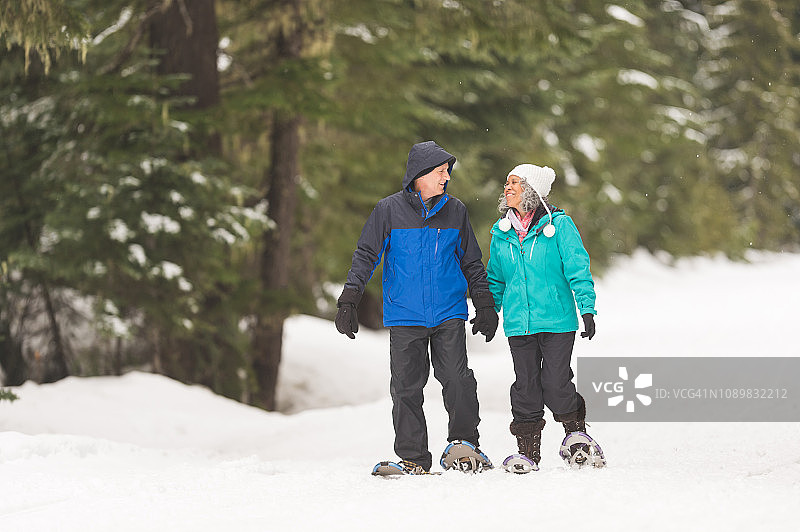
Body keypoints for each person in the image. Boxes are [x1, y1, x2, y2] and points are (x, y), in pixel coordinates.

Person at [335, 140, 498, 474]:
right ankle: (413, 458)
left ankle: (465, 445)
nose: (446, 178)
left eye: (447, 172)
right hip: (405, 314)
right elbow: (367, 254)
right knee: (406, 388)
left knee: (457, 379)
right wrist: (350, 297)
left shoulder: (456, 211)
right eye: (440, 172)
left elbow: (471, 262)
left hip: (448, 311)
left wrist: (484, 303)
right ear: (420, 174)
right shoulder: (388, 210)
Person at [486, 163, 603, 469]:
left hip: (556, 321)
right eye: (507, 182)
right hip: (519, 324)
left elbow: (578, 268)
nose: (507, 188)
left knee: (555, 383)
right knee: (525, 387)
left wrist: (587, 308)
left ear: (532, 191)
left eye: (515, 183)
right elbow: (496, 279)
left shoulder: (559, 226)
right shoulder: (501, 232)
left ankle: (576, 435)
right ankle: (528, 453)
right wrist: (489, 311)